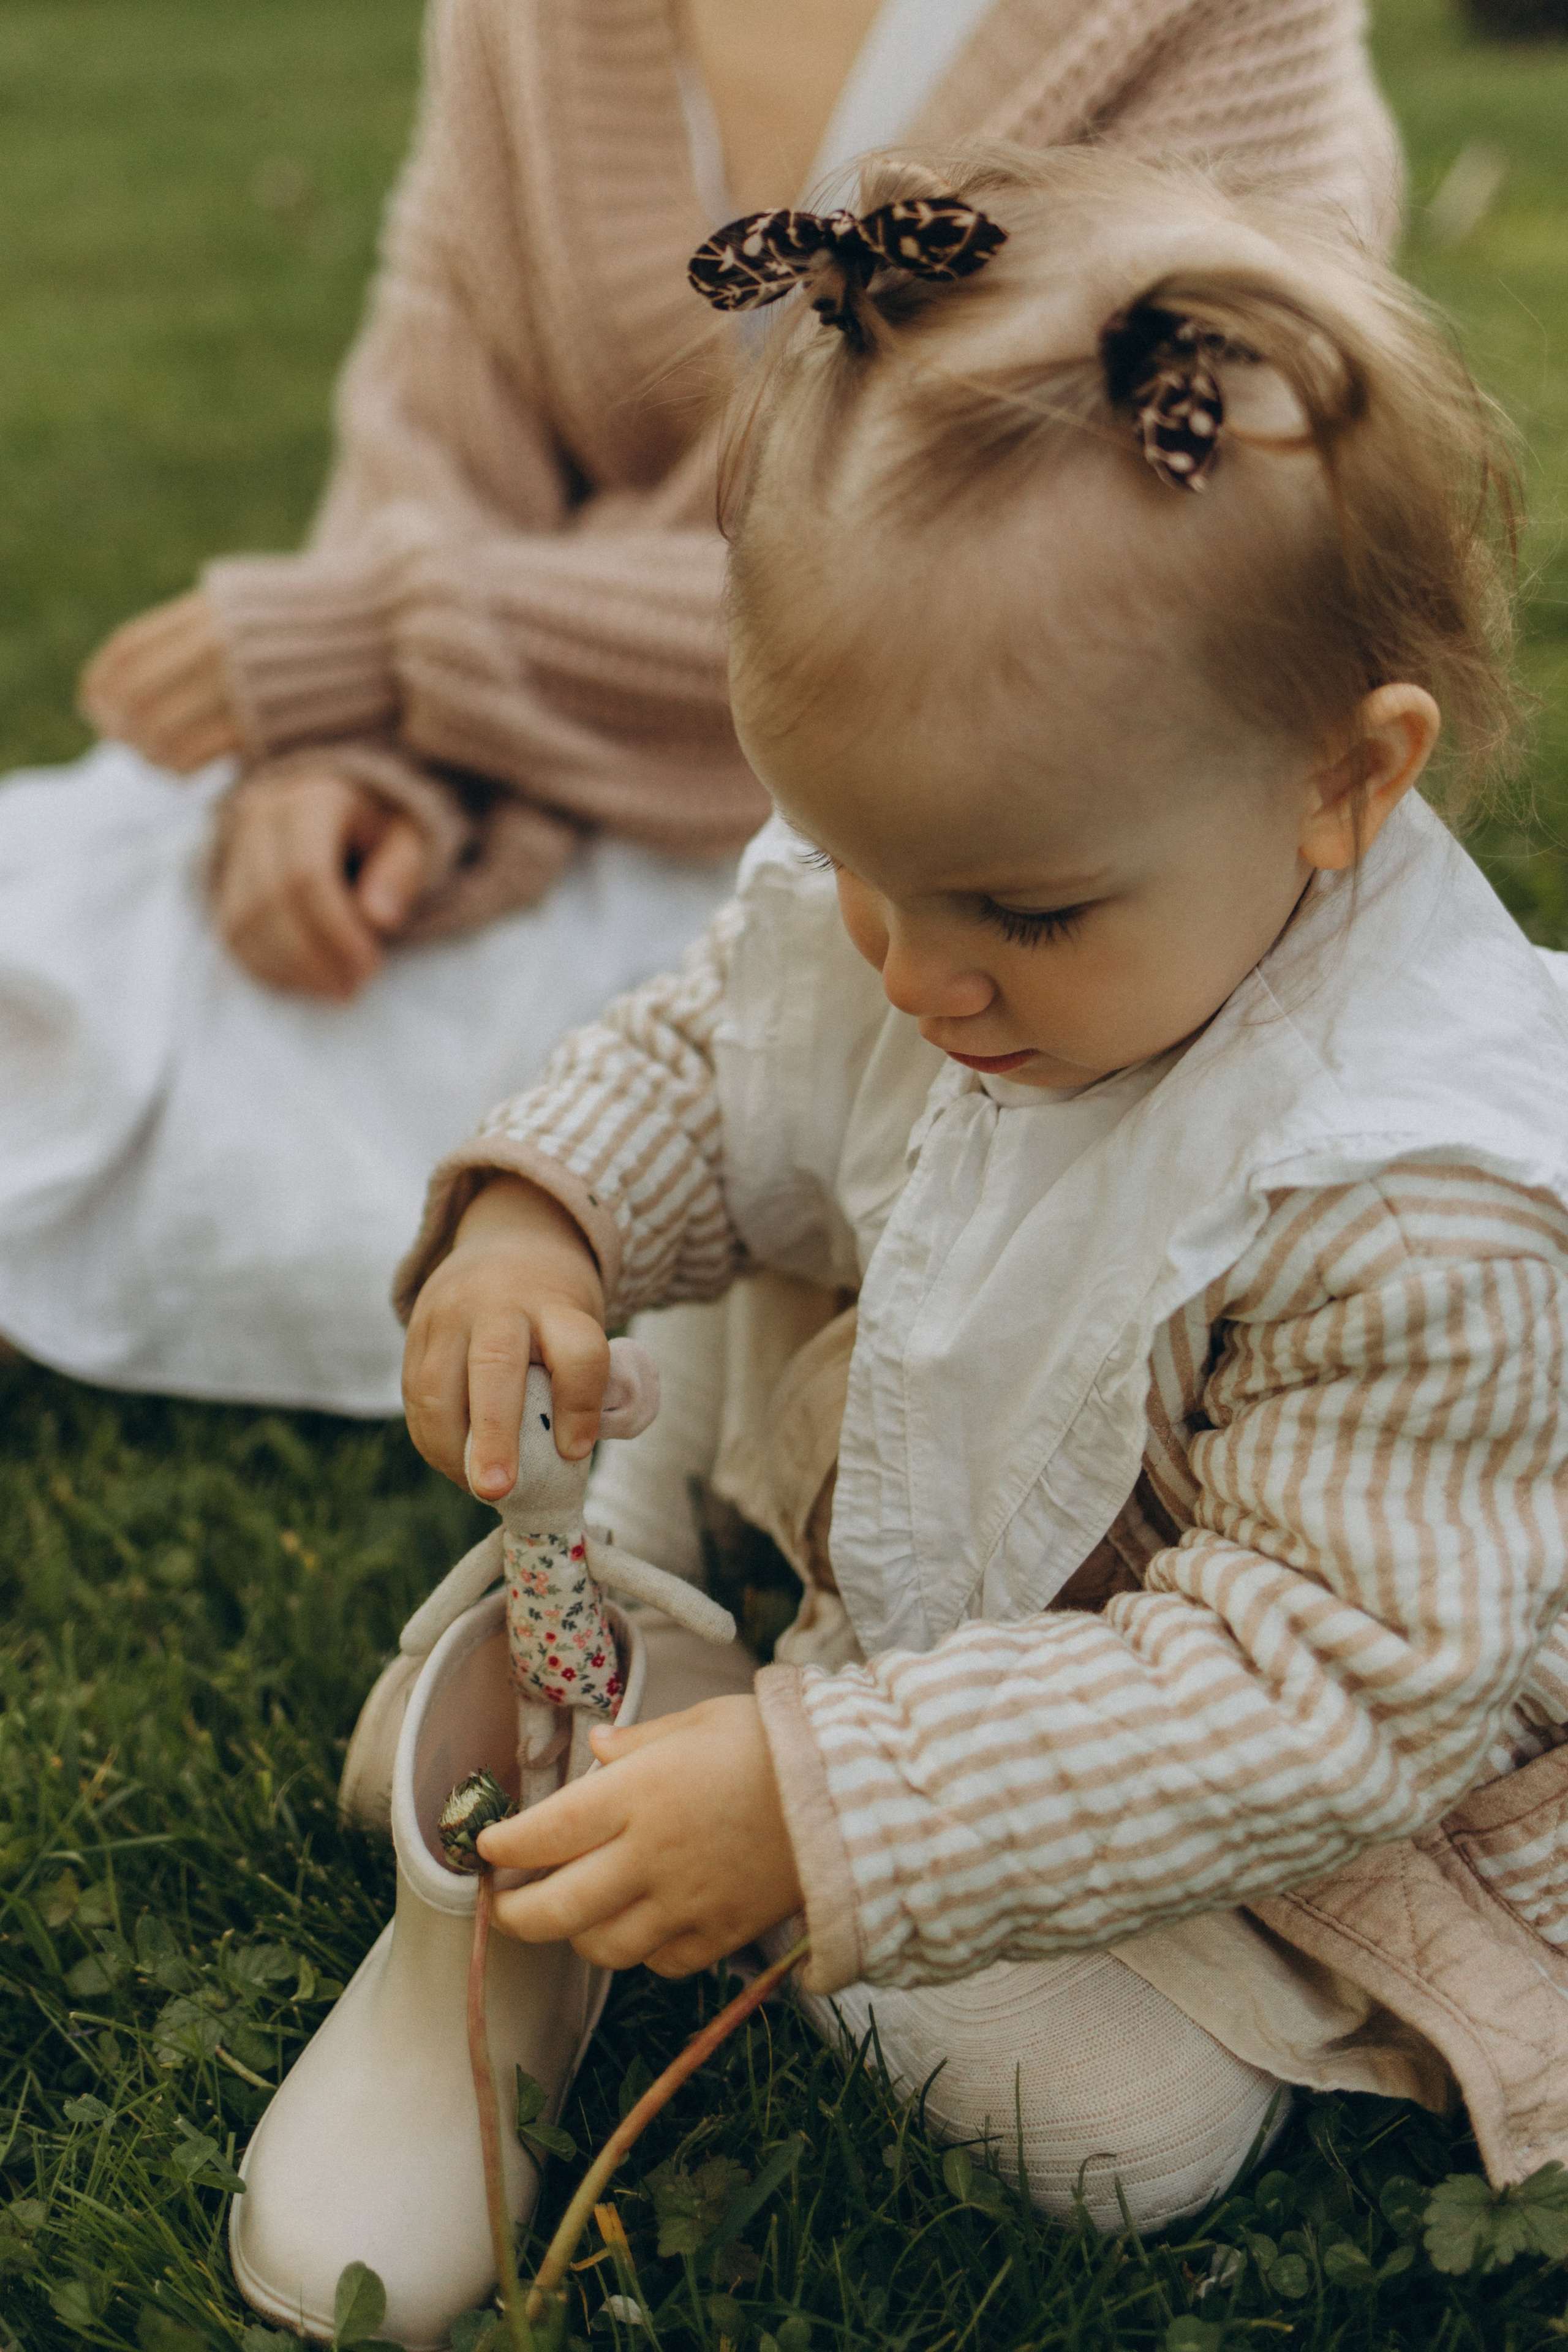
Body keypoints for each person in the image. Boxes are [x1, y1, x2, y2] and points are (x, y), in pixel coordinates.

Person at [394, 146, 1568, 2228]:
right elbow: (718, 1057)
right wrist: (537, 1223)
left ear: (1343, 781)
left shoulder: (1414, 1207)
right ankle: (617, 1584)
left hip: (1243, 1729)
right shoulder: (961, 896)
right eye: (850, 860)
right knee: (699, 1235)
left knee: (1113, 2138)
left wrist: (839, 1802)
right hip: (992, 1409)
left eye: (1018, 908)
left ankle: (729, 1735)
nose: (920, 971)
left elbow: (1310, 1695)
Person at [0, 0, 1402, 1414]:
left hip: (901, 813)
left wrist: (382, 642)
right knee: (88, 929)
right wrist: (357, 759)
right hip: (543, 731)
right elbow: (440, 406)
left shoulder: (1209, 21)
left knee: (722, 1070)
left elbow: (1054, 612)